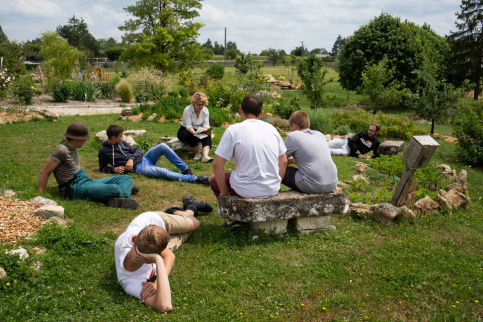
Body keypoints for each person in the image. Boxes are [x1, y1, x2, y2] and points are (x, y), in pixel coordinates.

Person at [114, 196, 213, 312]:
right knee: (188, 233)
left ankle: (188, 207)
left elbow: (169, 255)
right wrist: (159, 260)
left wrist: (155, 284)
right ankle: (180, 212)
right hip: (156, 241)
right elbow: (165, 306)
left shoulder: (137, 239)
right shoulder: (130, 280)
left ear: (134, 238)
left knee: (195, 223)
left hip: (158, 220)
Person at [38, 122, 138, 209]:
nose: (85, 141)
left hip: (84, 180)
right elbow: (46, 172)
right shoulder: (61, 150)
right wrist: (40, 194)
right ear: (76, 139)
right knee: (115, 189)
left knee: (126, 178)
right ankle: (121, 191)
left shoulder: (72, 147)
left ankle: (121, 198)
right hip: (74, 188)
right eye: (84, 139)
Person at [210, 94, 287, 199]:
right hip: (272, 188)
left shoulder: (233, 130)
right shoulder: (272, 129)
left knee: (214, 181)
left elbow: (217, 164)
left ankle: (228, 208)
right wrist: (276, 183)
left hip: (245, 188)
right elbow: (284, 161)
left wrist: (224, 192)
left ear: (240, 110)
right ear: (261, 114)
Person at [98, 125, 209, 185]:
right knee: (162, 171)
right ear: (113, 138)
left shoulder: (122, 143)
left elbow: (138, 150)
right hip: (139, 168)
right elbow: (102, 168)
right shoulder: (103, 152)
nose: (123, 138)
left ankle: (185, 170)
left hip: (145, 158)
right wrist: (113, 170)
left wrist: (131, 159)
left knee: (163, 146)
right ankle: (194, 179)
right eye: (121, 136)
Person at [283, 111, 338, 193]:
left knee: (277, 168)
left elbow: (279, 160)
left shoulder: (293, 136)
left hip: (313, 185)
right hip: (332, 183)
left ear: (294, 126)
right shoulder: (319, 134)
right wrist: (292, 160)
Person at [177, 92, 213, 163]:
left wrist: (208, 130)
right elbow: (188, 126)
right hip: (185, 130)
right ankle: (197, 152)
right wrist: (196, 134)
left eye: (202, 104)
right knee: (190, 135)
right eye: (198, 105)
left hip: (199, 129)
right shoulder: (187, 110)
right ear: (194, 103)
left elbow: (206, 124)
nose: (200, 107)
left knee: (208, 135)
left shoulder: (205, 111)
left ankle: (205, 156)